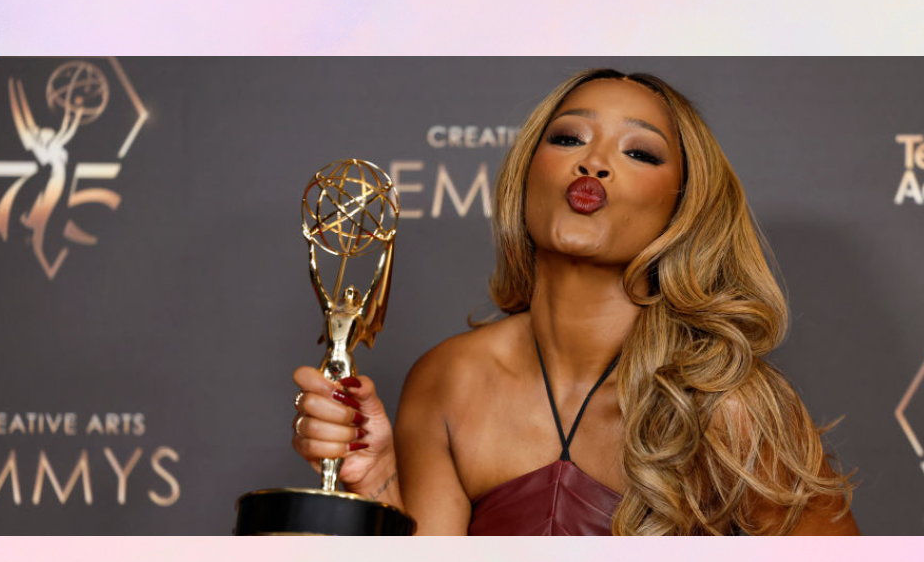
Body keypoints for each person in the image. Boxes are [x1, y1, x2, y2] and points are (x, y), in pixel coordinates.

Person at [291, 69, 859, 535]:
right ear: (526, 174)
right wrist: (380, 481)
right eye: (568, 139)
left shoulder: (726, 404)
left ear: (682, 206)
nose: (593, 163)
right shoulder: (449, 378)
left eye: (640, 152)